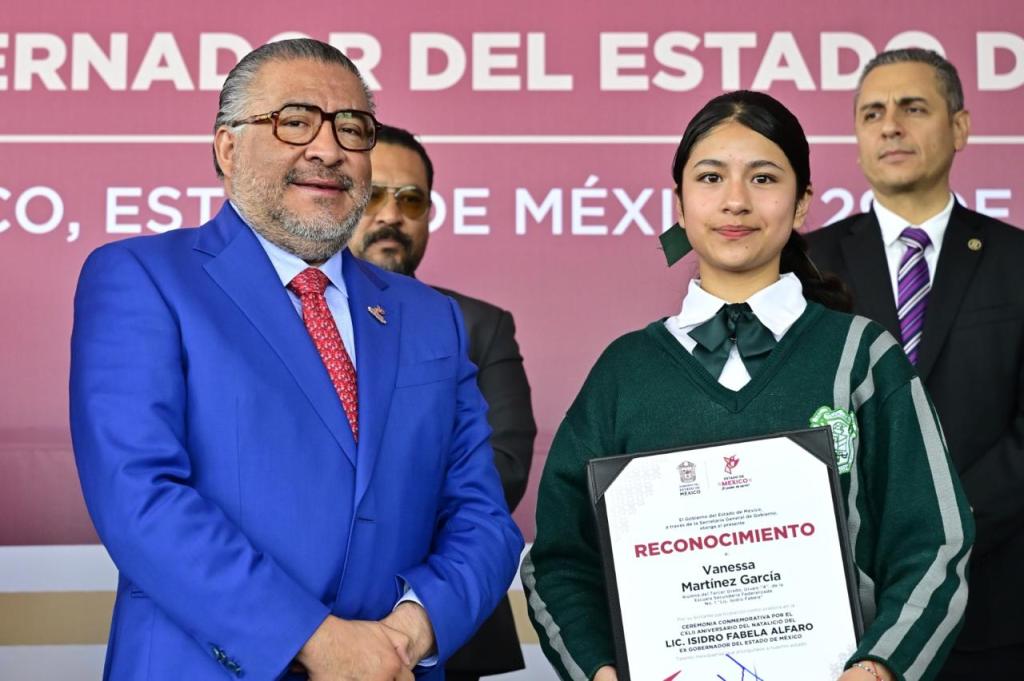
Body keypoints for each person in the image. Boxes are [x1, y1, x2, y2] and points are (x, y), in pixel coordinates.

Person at [69, 38, 522, 681]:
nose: (329, 149)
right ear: (228, 149)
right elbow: (139, 496)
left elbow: (481, 515)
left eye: (352, 128)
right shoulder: (143, 278)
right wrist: (317, 641)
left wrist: (410, 631)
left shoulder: (429, 317)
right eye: (296, 121)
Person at [523, 90, 973, 681]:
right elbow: (559, 561)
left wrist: (877, 669)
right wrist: (601, 672)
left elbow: (936, 544)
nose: (735, 200)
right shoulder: (624, 372)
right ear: (680, 204)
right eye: (710, 177)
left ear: (802, 203)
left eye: (763, 178)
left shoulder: (862, 356)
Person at [806, 47, 1024, 680]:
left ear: (960, 127)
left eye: (913, 108)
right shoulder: (804, 268)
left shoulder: (1016, 260)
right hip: (845, 614)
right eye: (872, 113)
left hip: (995, 603)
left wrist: (946, 521)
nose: (891, 126)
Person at [348, 123, 536, 681]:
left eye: (411, 200)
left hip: (447, 625)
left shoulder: (477, 325)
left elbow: (504, 467)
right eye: (373, 196)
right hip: (306, 623)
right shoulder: (286, 315)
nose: (391, 215)